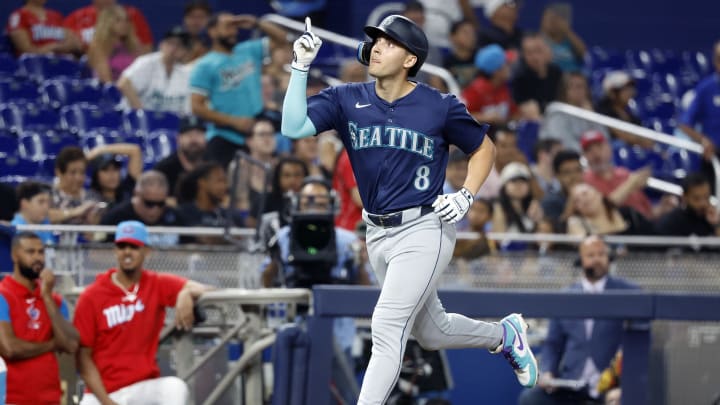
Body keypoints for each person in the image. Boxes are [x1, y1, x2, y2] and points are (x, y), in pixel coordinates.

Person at [281, 15, 538, 403]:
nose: (377, 46)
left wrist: (466, 194)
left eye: (388, 42)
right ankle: (505, 335)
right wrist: (300, 68)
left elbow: (484, 148)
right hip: (378, 233)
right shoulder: (346, 98)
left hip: (423, 227)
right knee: (431, 332)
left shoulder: (439, 105)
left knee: (386, 325)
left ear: (409, 60)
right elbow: (293, 127)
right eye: (376, 41)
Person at [261, 178, 371, 404]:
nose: (314, 207)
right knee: (286, 393)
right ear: (297, 204)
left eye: (320, 202)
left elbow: (365, 291)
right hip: (292, 328)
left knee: (345, 396)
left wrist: (359, 263)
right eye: (308, 201)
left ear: (331, 204)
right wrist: (273, 257)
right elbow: (265, 282)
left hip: (339, 334)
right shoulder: (282, 237)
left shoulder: (348, 240)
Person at [73, 220, 209, 405]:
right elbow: (83, 358)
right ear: (115, 250)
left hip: (142, 387)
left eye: (134, 247)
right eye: (122, 246)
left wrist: (186, 292)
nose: (127, 252)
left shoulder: (156, 284)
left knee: (175, 388)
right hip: (101, 394)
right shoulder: (92, 296)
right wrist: (107, 402)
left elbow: (210, 290)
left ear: (146, 251)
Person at [518, 235, 639, 405]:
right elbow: (553, 343)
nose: (597, 259)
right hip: (570, 384)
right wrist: (547, 372)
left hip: (610, 385)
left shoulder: (628, 292)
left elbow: (638, 345)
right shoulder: (566, 297)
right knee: (530, 399)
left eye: (601, 254)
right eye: (591, 255)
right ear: (580, 260)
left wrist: (626, 387)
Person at [189, 12, 288, 168]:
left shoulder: (248, 49)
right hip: (225, 135)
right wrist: (233, 121)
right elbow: (196, 106)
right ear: (212, 31)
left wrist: (256, 22)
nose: (233, 31)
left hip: (256, 132)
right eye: (227, 26)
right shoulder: (204, 65)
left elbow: (282, 39)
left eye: (235, 27)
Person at [0, 232, 79, 404]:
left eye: (41, 252)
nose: (37, 258)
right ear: (14, 255)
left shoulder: (54, 299)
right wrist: (51, 344)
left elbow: (70, 345)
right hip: (12, 399)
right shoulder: (2, 295)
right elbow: (9, 348)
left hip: (50, 398)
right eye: (30, 252)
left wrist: (48, 298)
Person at [117, 26, 192, 114]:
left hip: (167, 123)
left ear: (185, 51)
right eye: (170, 43)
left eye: (179, 45)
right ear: (161, 45)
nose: (174, 48)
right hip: (133, 120)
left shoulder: (184, 73)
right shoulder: (146, 62)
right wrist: (142, 113)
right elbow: (124, 83)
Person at [100, 171, 188, 246]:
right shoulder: (116, 217)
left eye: (160, 204)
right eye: (149, 204)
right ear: (136, 195)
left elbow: (191, 250)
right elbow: (96, 254)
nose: (155, 210)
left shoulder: (176, 217)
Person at [580, 130, 654, 219]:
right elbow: (603, 209)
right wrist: (630, 183)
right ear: (584, 155)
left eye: (599, 147)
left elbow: (648, 213)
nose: (595, 153)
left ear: (609, 148)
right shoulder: (585, 182)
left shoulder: (624, 173)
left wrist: (662, 208)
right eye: (589, 150)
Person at [679, 40, 720, 186]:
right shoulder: (705, 89)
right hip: (714, 156)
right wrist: (703, 140)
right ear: (715, 61)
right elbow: (684, 124)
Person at [540, 72, 610, 152]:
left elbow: (605, 138)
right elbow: (563, 143)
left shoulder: (589, 111)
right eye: (572, 87)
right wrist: (588, 154)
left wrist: (591, 116)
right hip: (566, 159)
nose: (577, 91)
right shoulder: (557, 111)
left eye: (580, 87)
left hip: (592, 157)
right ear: (565, 90)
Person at [176, 162, 244, 243]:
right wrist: (230, 236)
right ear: (202, 183)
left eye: (225, 181)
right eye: (219, 181)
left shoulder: (232, 215)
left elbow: (245, 238)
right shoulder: (184, 213)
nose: (225, 186)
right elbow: (205, 238)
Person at [565, 183, 655, 238]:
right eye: (577, 201)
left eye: (585, 193)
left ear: (598, 193)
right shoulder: (576, 223)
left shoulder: (629, 214)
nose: (583, 200)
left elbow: (654, 235)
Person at [463, 44, 521, 127]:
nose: (509, 67)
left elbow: (513, 113)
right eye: (506, 64)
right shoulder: (475, 90)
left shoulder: (504, 85)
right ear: (496, 71)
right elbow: (461, 118)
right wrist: (484, 118)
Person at [64, 0, 153, 52]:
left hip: (124, 67)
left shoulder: (131, 15)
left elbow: (147, 49)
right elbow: (63, 50)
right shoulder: (76, 18)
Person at [86, 4, 145, 83]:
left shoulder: (134, 44)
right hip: (108, 91)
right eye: (118, 21)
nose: (124, 24)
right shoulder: (99, 46)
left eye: (126, 20)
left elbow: (143, 71)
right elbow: (107, 81)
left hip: (134, 88)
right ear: (107, 23)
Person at [595, 71, 653, 148]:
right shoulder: (602, 112)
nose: (631, 92)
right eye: (625, 89)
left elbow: (649, 142)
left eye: (630, 88)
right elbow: (625, 136)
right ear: (613, 93)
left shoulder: (631, 115)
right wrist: (639, 140)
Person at [154, 115, 208, 197]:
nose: (194, 140)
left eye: (198, 134)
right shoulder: (164, 169)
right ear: (178, 139)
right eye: (188, 135)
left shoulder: (212, 167)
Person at [49, 146, 103, 225]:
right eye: (73, 172)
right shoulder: (47, 195)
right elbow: (42, 215)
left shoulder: (92, 197)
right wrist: (75, 212)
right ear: (58, 172)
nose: (78, 178)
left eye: (82, 172)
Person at [512, 33, 564, 115]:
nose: (534, 57)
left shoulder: (556, 72)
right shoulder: (520, 78)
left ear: (548, 50)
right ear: (523, 55)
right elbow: (529, 112)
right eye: (529, 53)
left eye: (538, 50)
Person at [6, 0, 82, 56]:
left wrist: (59, 47)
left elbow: (75, 43)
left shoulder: (55, 16)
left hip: (60, 64)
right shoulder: (18, 16)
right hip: (34, 66)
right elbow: (26, 49)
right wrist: (54, 48)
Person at [656, 172, 720, 237]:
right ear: (684, 197)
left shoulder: (712, 219)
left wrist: (716, 224)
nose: (703, 203)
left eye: (706, 197)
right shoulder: (672, 222)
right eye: (696, 198)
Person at [87, 143, 143, 211]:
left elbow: (135, 150)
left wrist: (101, 150)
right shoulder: (91, 199)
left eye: (115, 169)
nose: (111, 174)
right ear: (96, 175)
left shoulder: (127, 189)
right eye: (105, 170)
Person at [492, 162, 544, 235]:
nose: (519, 185)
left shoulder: (533, 206)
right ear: (504, 186)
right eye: (514, 181)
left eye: (523, 181)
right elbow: (499, 237)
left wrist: (537, 219)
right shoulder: (497, 207)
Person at [540, 150, 583, 230]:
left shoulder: (592, 196)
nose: (574, 176)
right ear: (557, 176)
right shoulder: (550, 202)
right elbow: (558, 231)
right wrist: (573, 197)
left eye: (578, 170)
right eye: (567, 172)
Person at [539, 3, 586, 72]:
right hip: (553, 78)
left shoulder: (569, 41)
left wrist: (567, 31)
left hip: (573, 77)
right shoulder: (538, 41)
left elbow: (584, 54)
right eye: (550, 19)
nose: (553, 23)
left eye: (556, 19)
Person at [11, 181, 56, 246]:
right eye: (41, 202)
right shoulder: (13, 228)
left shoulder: (46, 222)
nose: (46, 207)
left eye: (48, 202)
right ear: (24, 204)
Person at [443, 19, 478, 89]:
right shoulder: (447, 62)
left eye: (472, 33)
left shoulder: (481, 58)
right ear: (453, 37)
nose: (471, 37)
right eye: (465, 33)